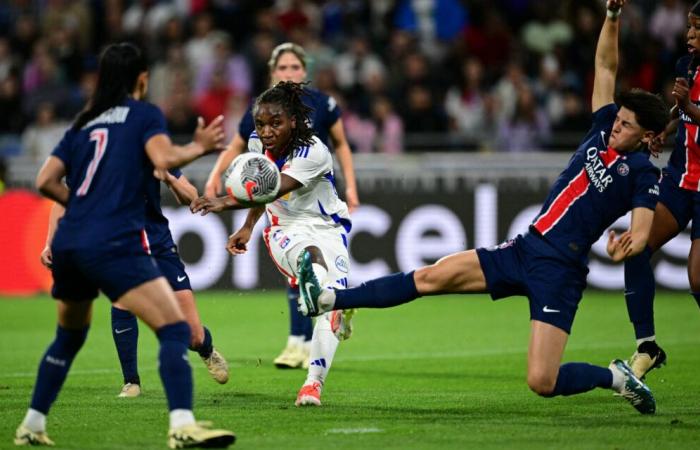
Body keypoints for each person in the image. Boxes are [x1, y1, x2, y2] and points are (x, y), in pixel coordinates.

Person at [297, 0, 669, 415]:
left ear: (647, 136)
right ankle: (331, 299)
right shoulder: (602, 127)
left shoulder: (642, 173)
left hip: (560, 272)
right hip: (525, 248)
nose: (616, 124)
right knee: (430, 276)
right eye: (618, 117)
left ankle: (616, 377)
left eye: (627, 124)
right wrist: (612, 18)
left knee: (542, 381)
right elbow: (604, 67)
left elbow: (642, 230)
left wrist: (628, 246)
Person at [14, 43, 235, 448]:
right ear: (142, 78)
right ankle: (182, 425)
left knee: (68, 337)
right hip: (116, 239)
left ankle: (32, 424)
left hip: (74, 241)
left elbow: (46, 180)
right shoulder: (143, 115)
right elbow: (165, 156)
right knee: (172, 329)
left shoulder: (83, 124)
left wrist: (81, 208)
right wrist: (198, 147)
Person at [191, 81, 354, 407]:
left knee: (332, 302)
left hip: (328, 227)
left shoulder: (314, 151)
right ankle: (312, 386)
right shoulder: (256, 143)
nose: (266, 131)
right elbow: (259, 185)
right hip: (286, 228)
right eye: (261, 124)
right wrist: (249, 226)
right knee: (317, 273)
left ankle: (336, 306)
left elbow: (272, 187)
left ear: (293, 121)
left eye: (275, 123)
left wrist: (222, 202)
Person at [40, 170, 230, 399]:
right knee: (122, 302)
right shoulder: (91, 153)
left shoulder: (152, 148)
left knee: (192, 336)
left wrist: (167, 176)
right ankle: (131, 381)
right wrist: (50, 242)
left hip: (159, 248)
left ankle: (206, 349)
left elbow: (191, 196)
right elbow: (64, 200)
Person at [622, 0, 700, 380]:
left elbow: (692, 108)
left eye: (697, 28)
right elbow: (681, 112)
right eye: (689, 27)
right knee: (636, 245)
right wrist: (663, 131)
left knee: (698, 279)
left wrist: (690, 106)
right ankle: (647, 347)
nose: (689, 34)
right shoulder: (686, 66)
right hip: (679, 178)